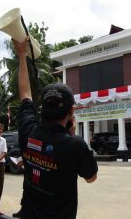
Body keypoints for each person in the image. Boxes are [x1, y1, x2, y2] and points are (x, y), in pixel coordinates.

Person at [13, 37, 98, 219]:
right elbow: (90, 178)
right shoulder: (75, 145)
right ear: (71, 111)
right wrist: (72, 133)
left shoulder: (28, 129)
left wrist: (21, 55)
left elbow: (25, 94)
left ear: (42, 109)